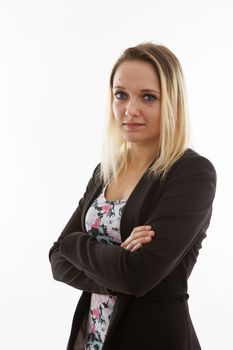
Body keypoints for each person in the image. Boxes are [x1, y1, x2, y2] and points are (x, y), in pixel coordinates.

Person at [48, 42, 216, 350]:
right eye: (121, 94)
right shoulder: (106, 171)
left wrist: (78, 244)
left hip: (154, 338)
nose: (130, 110)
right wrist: (115, 264)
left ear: (172, 102)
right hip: (92, 336)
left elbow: (138, 275)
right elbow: (58, 259)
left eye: (148, 97)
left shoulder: (192, 174)